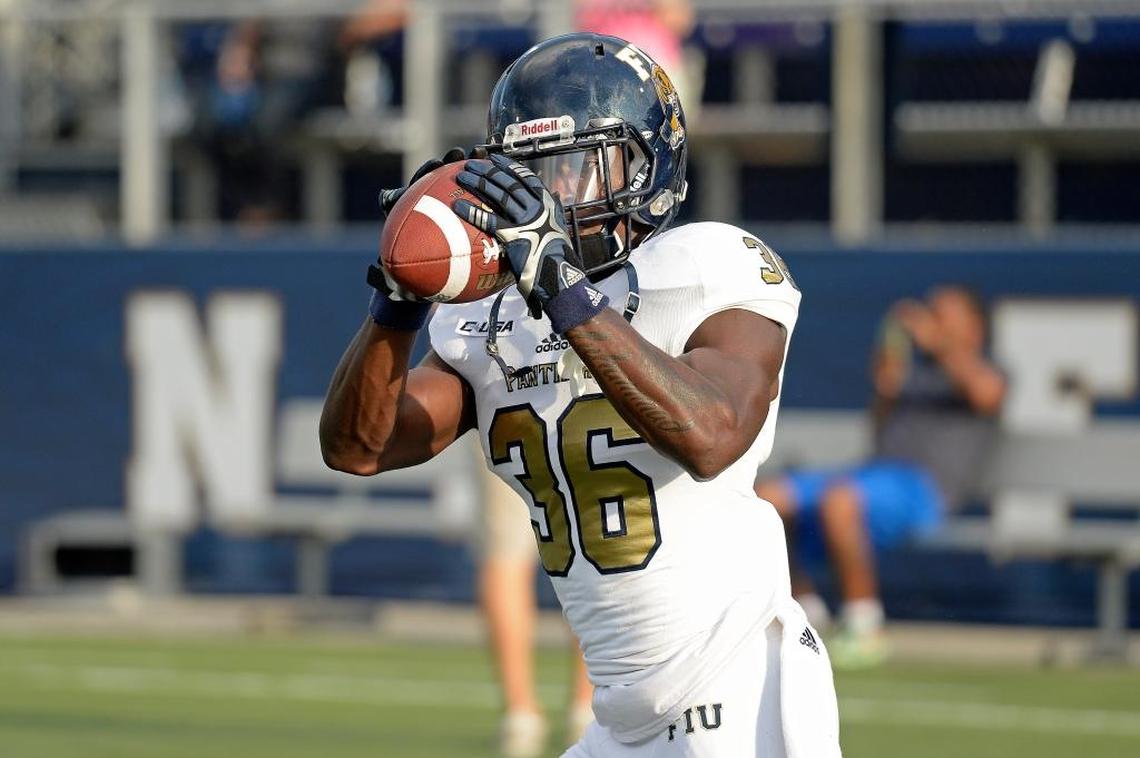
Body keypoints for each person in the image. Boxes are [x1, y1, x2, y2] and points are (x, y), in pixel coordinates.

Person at [321, 33, 840, 757]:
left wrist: (561, 286)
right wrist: (400, 302)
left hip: (739, 690)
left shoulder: (707, 266)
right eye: (532, 174)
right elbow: (357, 447)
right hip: (619, 725)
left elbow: (713, 433)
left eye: (578, 166)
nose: (557, 195)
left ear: (648, 163)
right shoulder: (486, 315)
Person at [755, 286, 1006, 668]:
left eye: (945, 315)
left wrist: (937, 343)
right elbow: (879, 434)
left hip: (923, 491)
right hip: (871, 477)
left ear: (975, 328)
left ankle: (865, 627)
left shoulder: (989, 371)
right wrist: (887, 389)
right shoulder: (915, 373)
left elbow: (985, 394)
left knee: (841, 500)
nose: (933, 319)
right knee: (766, 498)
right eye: (933, 312)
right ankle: (808, 618)